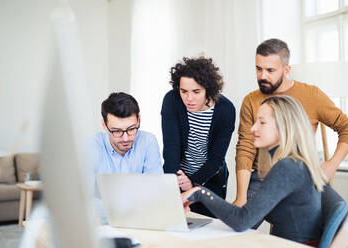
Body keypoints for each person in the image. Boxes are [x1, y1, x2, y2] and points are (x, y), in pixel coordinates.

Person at [182, 95, 327, 246]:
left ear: (284, 126)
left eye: (262, 122)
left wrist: (199, 192)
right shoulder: (296, 164)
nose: (253, 128)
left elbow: (242, 221)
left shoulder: (288, 167)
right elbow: (249, 216)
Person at [233, 38, 348, 208]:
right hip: (263, 178)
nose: (263, 76)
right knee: (239, 226)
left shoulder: (311, 95)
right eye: (258, 69)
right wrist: (241, 197)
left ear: (287, 69)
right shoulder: (251, 101)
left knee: (340, 214)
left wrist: (332, 164)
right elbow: (245, 149)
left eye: (270, 70)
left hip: (303, 177)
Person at [161, 56, 236, 217]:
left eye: (196, 92)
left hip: (210, 182)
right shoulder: (171, 100)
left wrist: (193, 182)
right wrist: (174, 181)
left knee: (207, 234)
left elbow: (216, 159)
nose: (189, 98)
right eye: (184, 91)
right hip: (177, 178)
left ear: (208, 89)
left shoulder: (226, 110)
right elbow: (171, 147)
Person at [89, 92, 163, 176]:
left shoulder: (148, 141)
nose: (125, 138)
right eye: (117, 131)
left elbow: (155, 185)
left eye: (131, 129)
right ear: (104, 125)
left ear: (139, 120)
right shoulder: (92, 147)